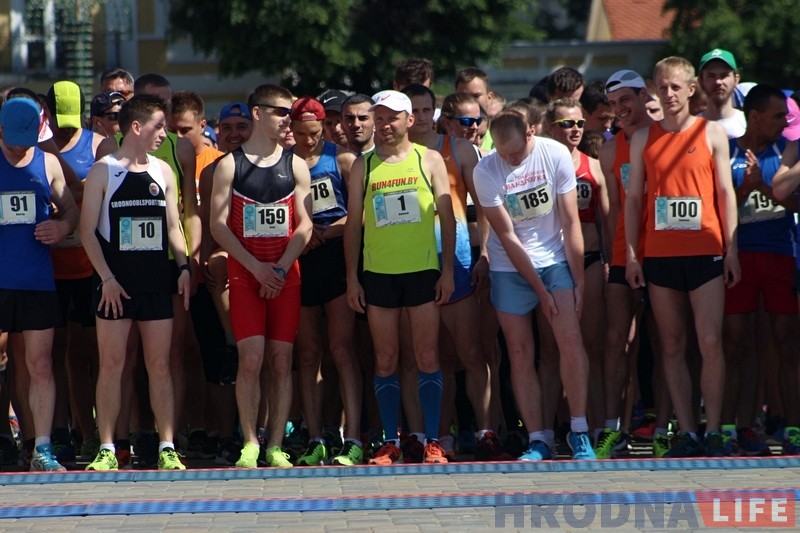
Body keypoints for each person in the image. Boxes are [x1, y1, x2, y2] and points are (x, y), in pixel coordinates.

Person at [624, 56, 740, 457]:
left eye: (676, 87)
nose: (669, 94)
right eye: (662, 86)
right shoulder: (643, 138)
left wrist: (731, 250)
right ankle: (687, 431)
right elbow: (634, 199)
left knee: (709, 341)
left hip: (707, 251)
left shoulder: (712, 133)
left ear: (692, 89)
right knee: (671, 345)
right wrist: (633, 255)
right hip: (660, 256)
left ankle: (713, 430)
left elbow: (725, 194)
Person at [472, 110, 596, 461]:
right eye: (502, 152)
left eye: (515, 152)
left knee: (570, 341)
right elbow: (507, 236)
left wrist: (579, 280)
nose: (509, 159)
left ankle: (579, 430)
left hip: (555, 259)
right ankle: (539, 438)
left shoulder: (554, 154)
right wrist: (540, 292)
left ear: (531, 132)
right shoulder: (486, 170)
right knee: (520, 352)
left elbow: (571, 221)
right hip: (509, 267)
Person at [343, 90, 456, 465]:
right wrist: (352, 278)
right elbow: (353, 227)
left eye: (392, 117)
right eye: (378, 117)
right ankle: (390, 440)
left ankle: (433, 441)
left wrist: (448, 271)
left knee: (426, 355)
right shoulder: (365, 165)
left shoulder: (430, 159)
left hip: (422, 271)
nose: (384, 125)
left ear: (410, 120)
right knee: (386, 358)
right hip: (378, 274)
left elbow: (448, 216)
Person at [81, 94, 191, 471]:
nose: (165, 133)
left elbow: (174, 227)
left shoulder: (163, 172)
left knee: (159, 365)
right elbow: (86, 232)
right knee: (112, 364)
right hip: (115, 286)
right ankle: (108, 447)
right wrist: (107, 278)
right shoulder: (104, 171)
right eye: (159, 126)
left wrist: (185, 266)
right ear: (136, 127)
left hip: (155, 284)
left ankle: (166, 445)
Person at [209, 84, 313, 468]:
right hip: (247, 275)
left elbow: (305, 226)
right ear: (257, 113)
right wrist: (256, 268)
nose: (288, 119)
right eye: (280, 111)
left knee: (282, 360)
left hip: (286, 275)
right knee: (250, 359)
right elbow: (218, 226)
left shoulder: (296, 164)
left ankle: (275, 443)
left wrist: (281, 268)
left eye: (290, 112)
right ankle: (250, 441)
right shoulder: (230, 165)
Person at [402, 84, 497, 459]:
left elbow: (486, 205)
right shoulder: (390, 156)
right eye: (415, 111)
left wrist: (485, 252)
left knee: (472, 352)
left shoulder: (457, 149)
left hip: (456, 262)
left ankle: (486, 430)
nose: (422, 117)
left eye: (427, 110)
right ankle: (440, 435)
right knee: (429, 357)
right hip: (412, 265)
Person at [0, 98, 79, 471]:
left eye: (27, 139)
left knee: (40, 364)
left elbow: (72, 209)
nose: (21, 147)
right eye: (14, 139)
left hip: (35, 279)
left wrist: (61, 227)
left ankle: (42, 448)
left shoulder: (46, 162)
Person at [721, 84, 797, 457]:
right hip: (740, 255)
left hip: (781, 252)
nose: (785, 122)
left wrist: (764, 188)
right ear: (754, 117)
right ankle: (734, 427)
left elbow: (793, 199)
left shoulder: (788, 150)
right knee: (736, 344)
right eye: (777, 116)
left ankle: (792, 427)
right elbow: (719, 207)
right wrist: (743, 189)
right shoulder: (727, 149)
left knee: (786, 342)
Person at [288, 96, 363, 466]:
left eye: (314, 134)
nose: (307, 141)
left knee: (343, 350)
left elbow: (359, 216)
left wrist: (323, 232)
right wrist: (301, 235)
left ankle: (353, 436)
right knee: (307, 354)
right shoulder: (283, 163)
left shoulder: (344, 160)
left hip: (335, 257)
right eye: (300, 134)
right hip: (300, 261)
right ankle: (315, 435)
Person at [543, 99, 609, 455]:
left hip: (590, 260)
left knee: (591, 348)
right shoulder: (540, 168)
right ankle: (548, 431)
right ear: (550, 128)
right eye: (567, 124)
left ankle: (595, 428)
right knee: (552, 351)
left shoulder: (593, 167)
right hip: (553, 263)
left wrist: (612, 259)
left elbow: (608, 219)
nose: (575, 130)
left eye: (580, 123)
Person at [697, 49, 745, 138]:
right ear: (701, 82)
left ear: (736, 80)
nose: (718, 81)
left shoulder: (747, 125)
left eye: (724, 75)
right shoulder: (691, 127)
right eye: (711, 76)